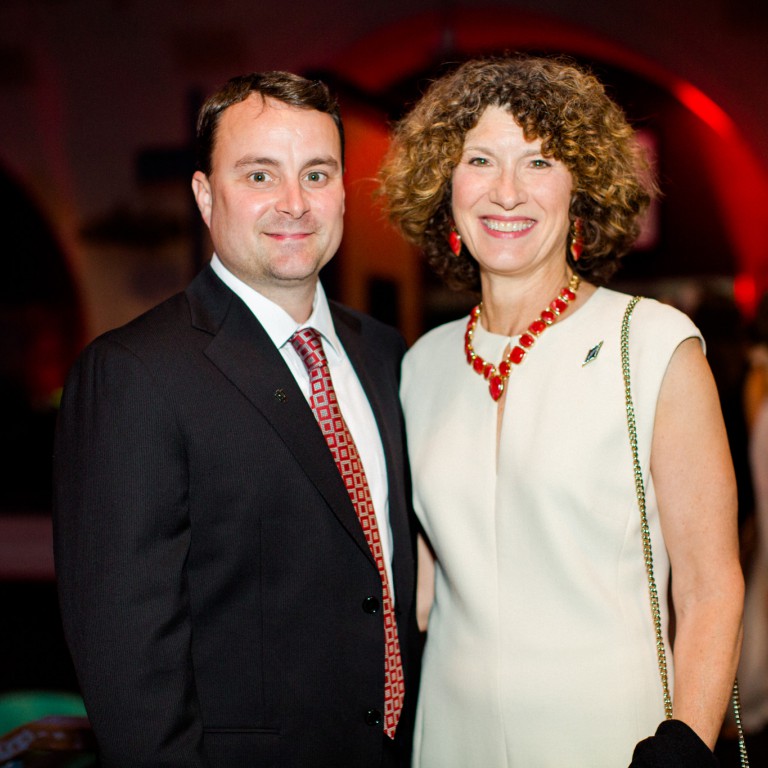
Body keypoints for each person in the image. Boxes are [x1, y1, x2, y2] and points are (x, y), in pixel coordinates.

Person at [380, 55, 743, 767]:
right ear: (445, 188)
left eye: (539, 162)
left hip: (614, 737)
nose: (507, 191)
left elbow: (710, 586)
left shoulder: (654, 344)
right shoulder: (419, 366)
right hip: (449, 739)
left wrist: (685, 745)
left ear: (581, 191)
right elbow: (415, 593)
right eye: (480, 159)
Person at [53, 71, 419, 768]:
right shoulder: (135, 373)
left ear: (344, 193)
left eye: (317, 174)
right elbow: (129, 660)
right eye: (259, 175)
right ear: (203, 195)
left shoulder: (385, 356)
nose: (294, 203)